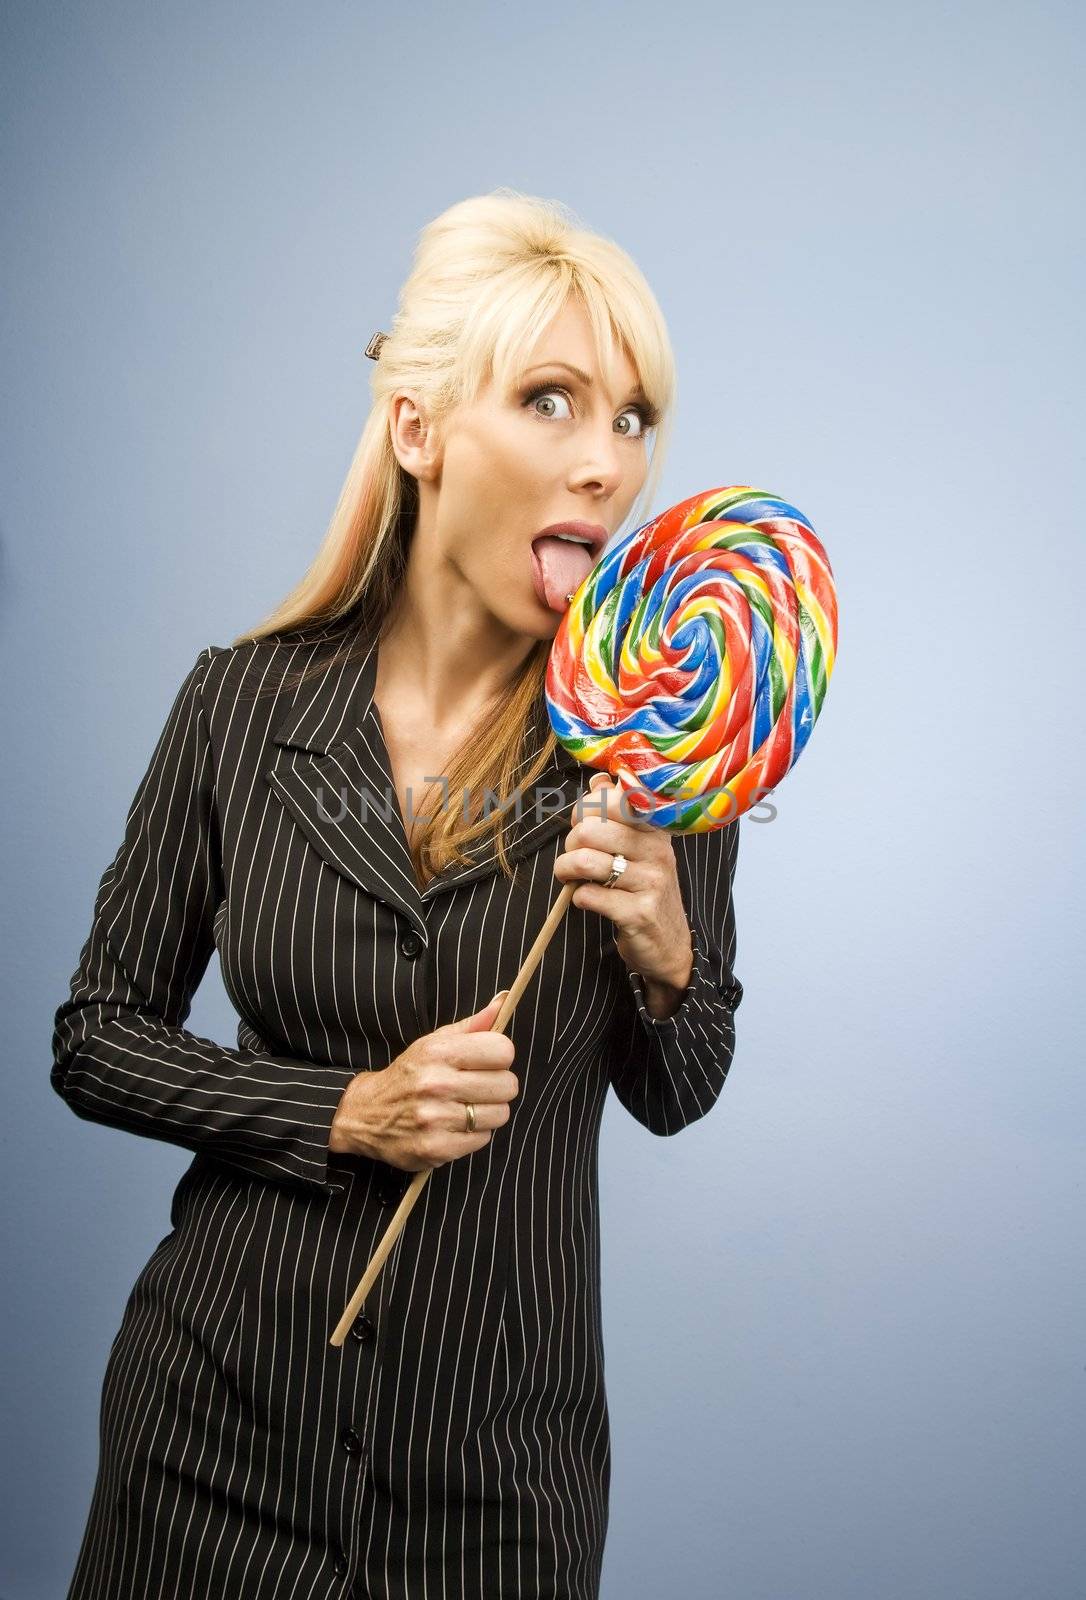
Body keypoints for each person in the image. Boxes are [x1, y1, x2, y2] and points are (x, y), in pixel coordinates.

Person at [51, 188, 744, 1600]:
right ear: (420, 430)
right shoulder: (240, 703)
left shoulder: (657, 743)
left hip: (492, 1480)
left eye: (630, 418)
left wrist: (667, 954)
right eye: (550, 401)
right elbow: (97, 1036)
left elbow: (680, 1084)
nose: (606, 463)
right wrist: (342, 1113)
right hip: (208, 1439)